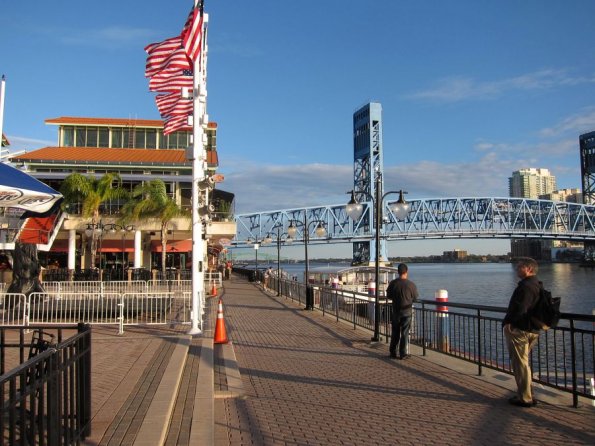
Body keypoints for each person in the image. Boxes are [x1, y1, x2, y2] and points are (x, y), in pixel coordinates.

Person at [503, 257, 542, 408]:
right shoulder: (537, 284)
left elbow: (520, 309)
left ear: (528, 269)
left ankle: (525, 398)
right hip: (532, 329)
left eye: (519, 267)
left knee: (520, 364)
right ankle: (527, 393)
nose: (516, 269)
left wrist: (510, 324)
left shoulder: (525, 287)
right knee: (524, 363)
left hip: (520, 330)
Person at [387, 263, 419, 360]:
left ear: (398, 272)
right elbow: (415, 298)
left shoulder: (393, 283)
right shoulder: (411, 284)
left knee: (395, 332)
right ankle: (402, 353)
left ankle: (392, 352)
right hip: (407, 312)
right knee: (404, 333)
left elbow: (389, 296)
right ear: (406, 272)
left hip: (396, 311)